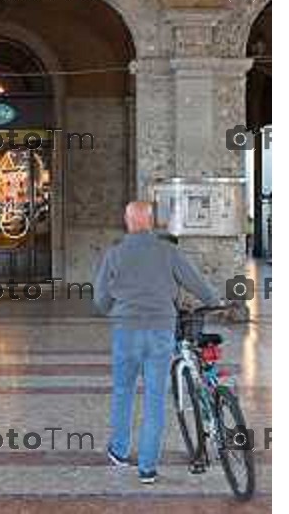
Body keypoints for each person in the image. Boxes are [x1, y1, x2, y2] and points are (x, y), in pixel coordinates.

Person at [93, 201, 221, 484]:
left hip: (126, 330)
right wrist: (215, 302)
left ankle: (119, 450)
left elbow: (100, 301)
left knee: (123, 391)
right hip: (161, 330)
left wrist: (117, 301)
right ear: (150, 222)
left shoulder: (113, 254)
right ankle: (148, 468)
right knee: (155, 398)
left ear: (127, 222)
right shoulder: (168, 251)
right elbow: (196, 282)